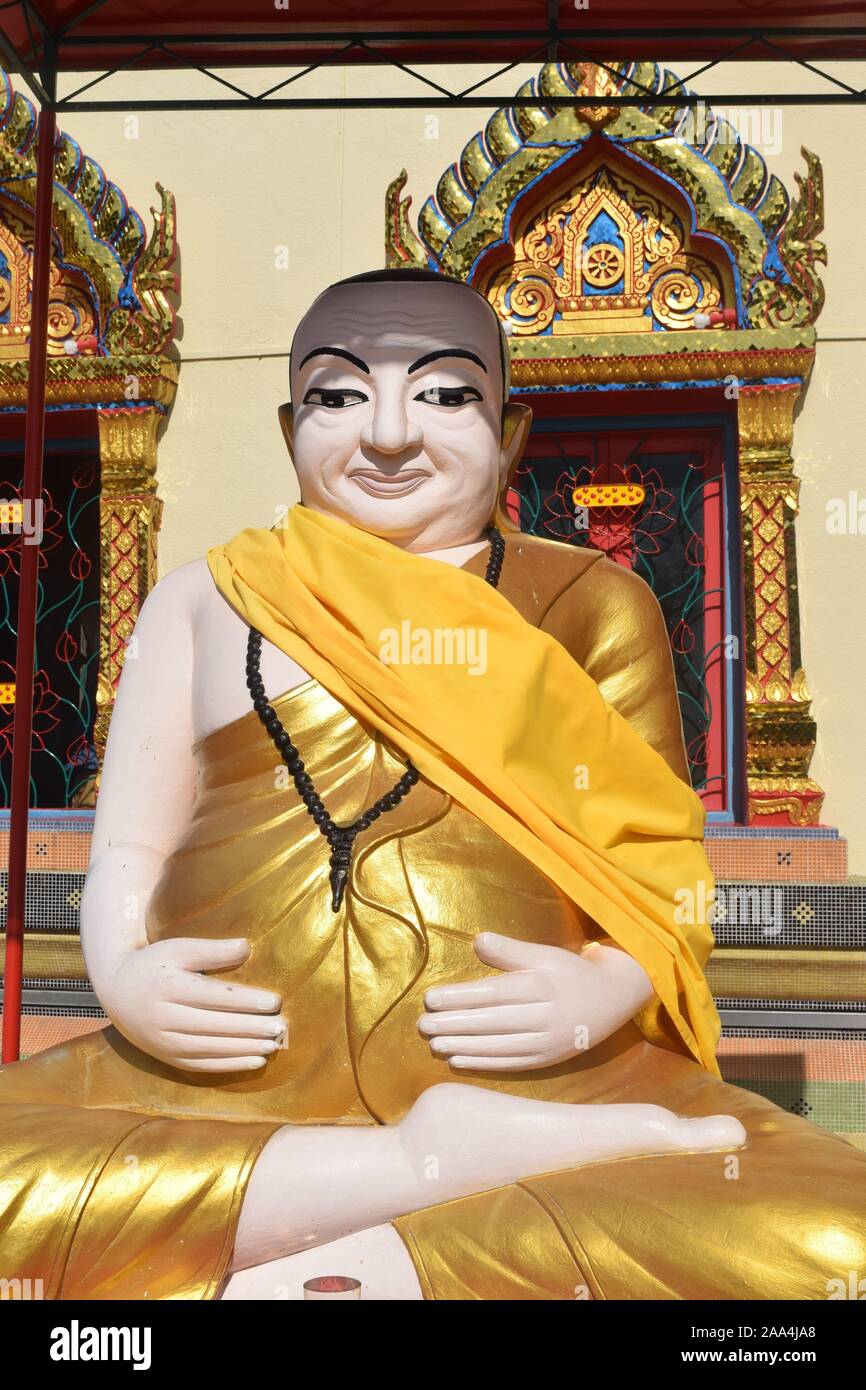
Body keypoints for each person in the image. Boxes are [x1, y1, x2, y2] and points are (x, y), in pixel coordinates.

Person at [1, 268, 863, 1301]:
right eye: (339, 394)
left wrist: (605, 989)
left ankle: (333, 1242)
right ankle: (428, 1175)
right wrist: (125, 979)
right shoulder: (205, 597)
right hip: (201, 1089)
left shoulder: (591, 601)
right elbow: (131, 846)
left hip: (548, 1079)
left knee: (831, 1240)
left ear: (510, 431)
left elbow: (652, 869)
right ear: (289, 429)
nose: (390, 434)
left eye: (445, 394)